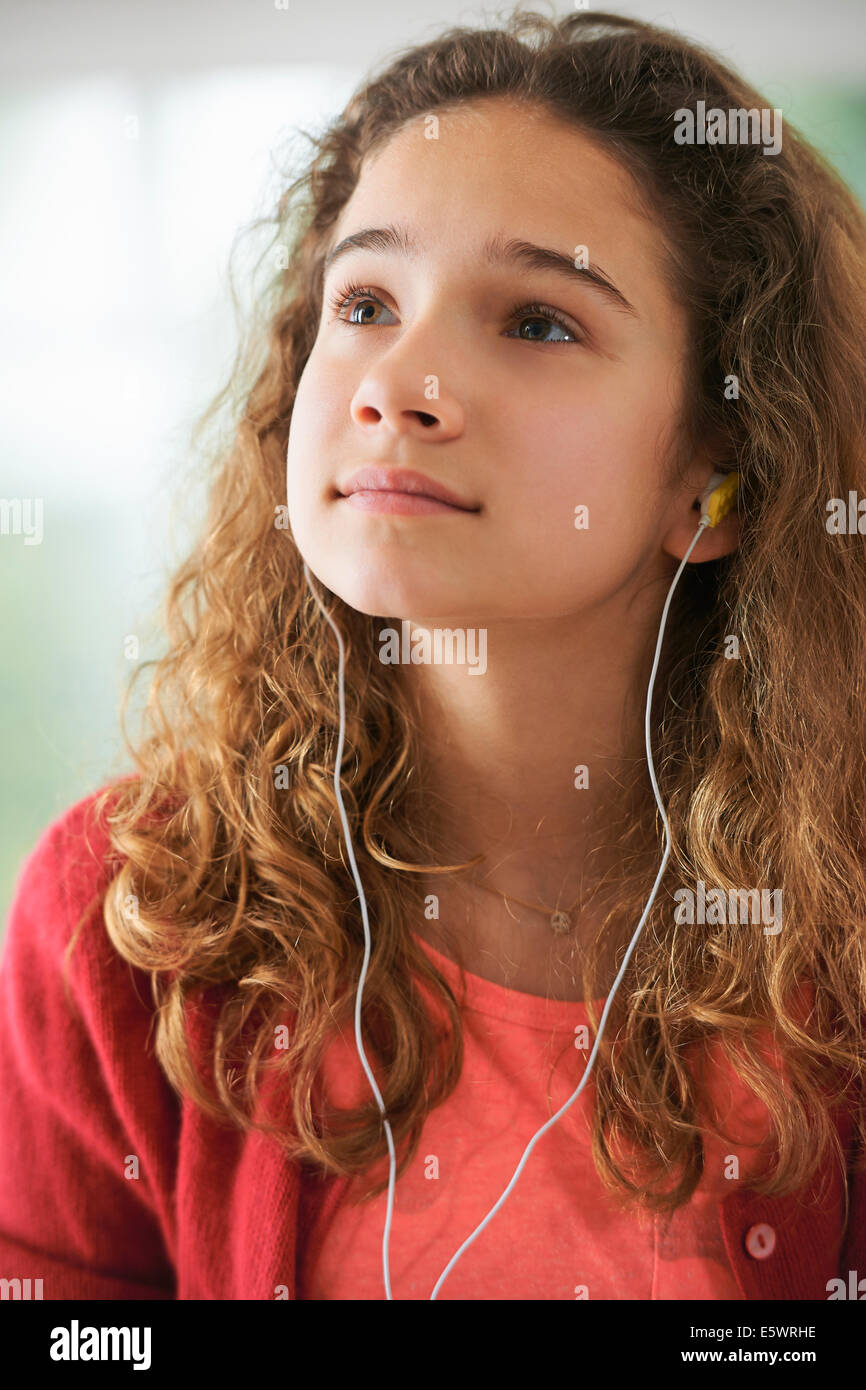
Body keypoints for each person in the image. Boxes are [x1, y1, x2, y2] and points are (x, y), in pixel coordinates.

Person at [2, 7, 866, 1302]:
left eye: (535, 321)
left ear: (716, 477)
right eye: (363, 301)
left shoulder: (839, 942)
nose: (395, 380)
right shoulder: (121, 918)